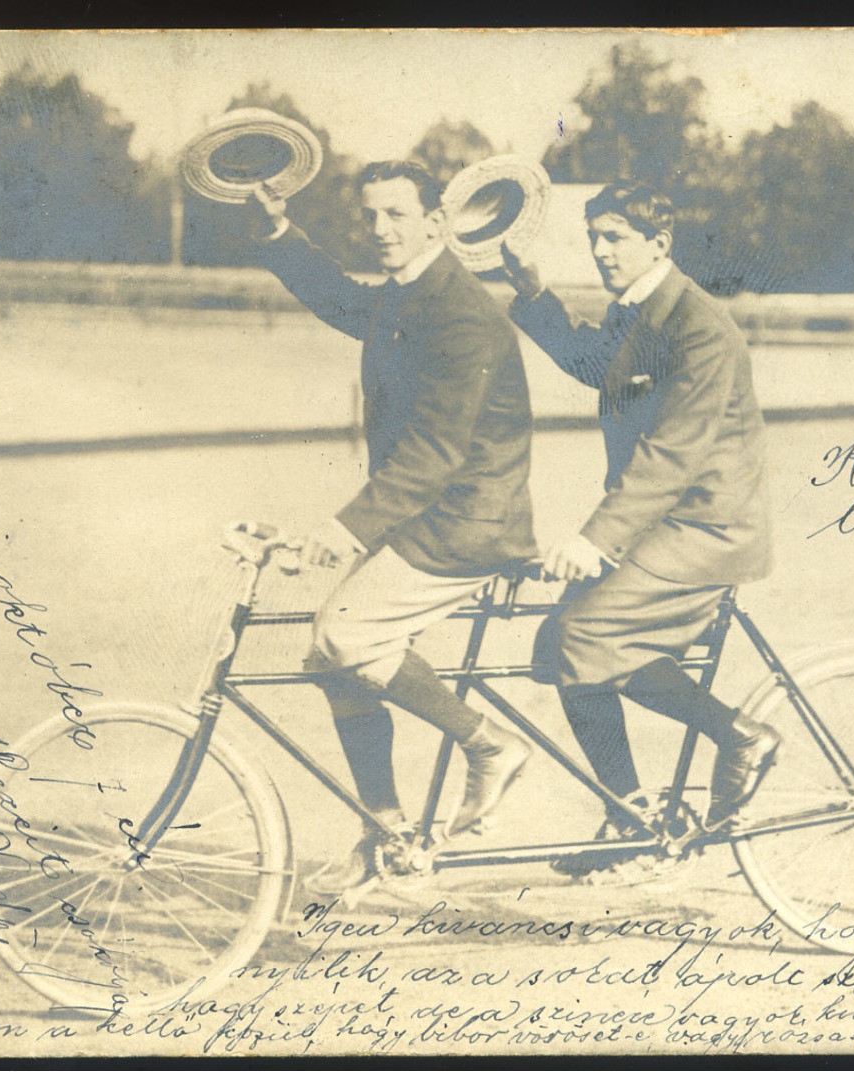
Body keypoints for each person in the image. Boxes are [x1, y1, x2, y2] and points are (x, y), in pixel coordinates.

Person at [244, 161, 536, 891]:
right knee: (328, 656)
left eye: (397, 216)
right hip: (423, 514)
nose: (380, 231)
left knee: (346, 635)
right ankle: (387, 832)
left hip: (470, 519)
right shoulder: (408, 293)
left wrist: (346, 530)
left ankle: (490, 744)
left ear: (436, 222)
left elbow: (437, 449)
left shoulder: (462, 313)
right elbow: (340, 298)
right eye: (370, 216)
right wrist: (279, 229)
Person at [500, 180, 778, 855]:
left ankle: (738, 734)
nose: (599, 250)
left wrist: (595, 539)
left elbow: (672, 457)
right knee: (563, 648)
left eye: (614, 236)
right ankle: (630, 814)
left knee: (579, 635)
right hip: (664, 523)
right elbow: (596, 364)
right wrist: (535, 295)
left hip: (708, 527)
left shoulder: (699, 326)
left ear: (659, 242)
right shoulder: (642, 312)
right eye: (594, 236)